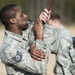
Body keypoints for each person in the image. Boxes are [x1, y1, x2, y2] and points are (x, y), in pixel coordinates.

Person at [0, 4, 51, 75]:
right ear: (12, 20)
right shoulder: (9, 50)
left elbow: (39, 31)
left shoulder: (24, 30)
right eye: (21, 14)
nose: (25, 15)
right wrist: (39, 37)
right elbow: (40, 68)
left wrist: (42, 21)